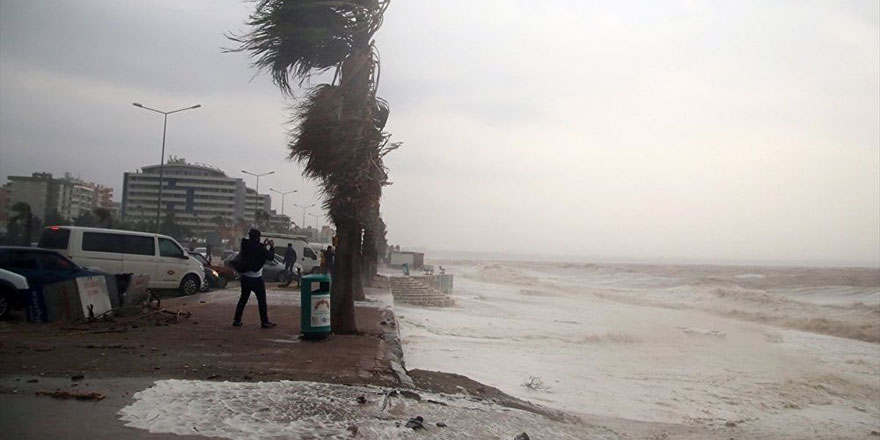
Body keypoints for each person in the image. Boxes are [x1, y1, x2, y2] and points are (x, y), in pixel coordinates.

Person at [232, 228, 277, 328]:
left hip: (245, 277)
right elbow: (270, 257)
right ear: (258, 237)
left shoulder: (245, 245)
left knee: (243, 299)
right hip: (256, 278)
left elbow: (254, 250)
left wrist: (263, 245)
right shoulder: (260, 248)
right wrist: (272, 247)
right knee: (261, 300)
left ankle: (237, 320)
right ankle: (264, 321)